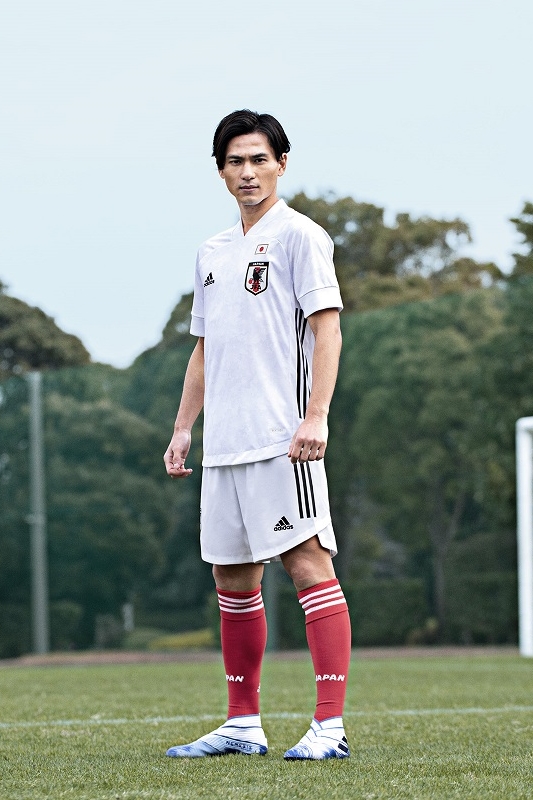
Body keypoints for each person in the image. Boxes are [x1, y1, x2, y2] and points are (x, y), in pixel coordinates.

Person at [163, 110, 351, 761]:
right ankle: (242, 725)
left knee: (307, 563)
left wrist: (315, 416)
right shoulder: (212, 252)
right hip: (225, 446)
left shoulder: (301, 236)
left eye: (259, 159)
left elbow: (327, 330)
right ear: (220, 171)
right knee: (232, 577)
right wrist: (183, 428)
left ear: (281, 164)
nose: (247, 172)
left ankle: (329, 727)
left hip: (282, 439)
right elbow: (204, 349)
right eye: (235, 161)